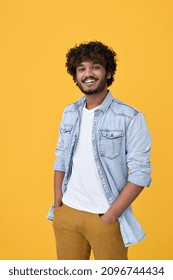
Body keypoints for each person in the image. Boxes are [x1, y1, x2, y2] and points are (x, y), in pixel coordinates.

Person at [48, 41, 152, 260]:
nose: (88, 73)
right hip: (67, 214)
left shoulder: (130, 117)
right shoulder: (70, 112)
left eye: (95, 66)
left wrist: (111, 216)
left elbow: (141, 174)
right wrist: (59, 204)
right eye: (81, 68)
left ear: (108, 72)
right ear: (75, 75)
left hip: (105, 217)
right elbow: (61, 156)